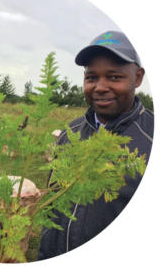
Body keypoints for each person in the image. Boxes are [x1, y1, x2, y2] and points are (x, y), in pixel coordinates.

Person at [38, 31, 154, 259]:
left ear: (138, 78)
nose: (100, 87)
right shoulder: (69, 133)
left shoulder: (151, 139)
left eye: (114, 77)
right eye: (91, 78)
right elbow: (52, 211)